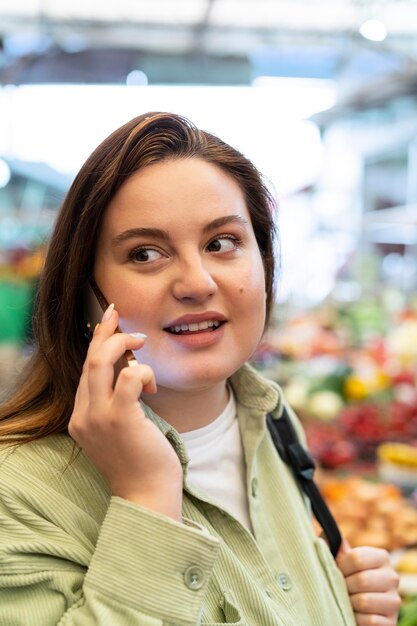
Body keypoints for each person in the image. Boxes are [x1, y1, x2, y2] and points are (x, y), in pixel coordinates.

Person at [0, 112, 400, 625]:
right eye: (145, 253)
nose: (197, 282)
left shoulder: (275, 424)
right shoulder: (20, 496)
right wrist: (145, 499)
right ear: (81, 292)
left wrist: (336, 603)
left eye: (221, 243)